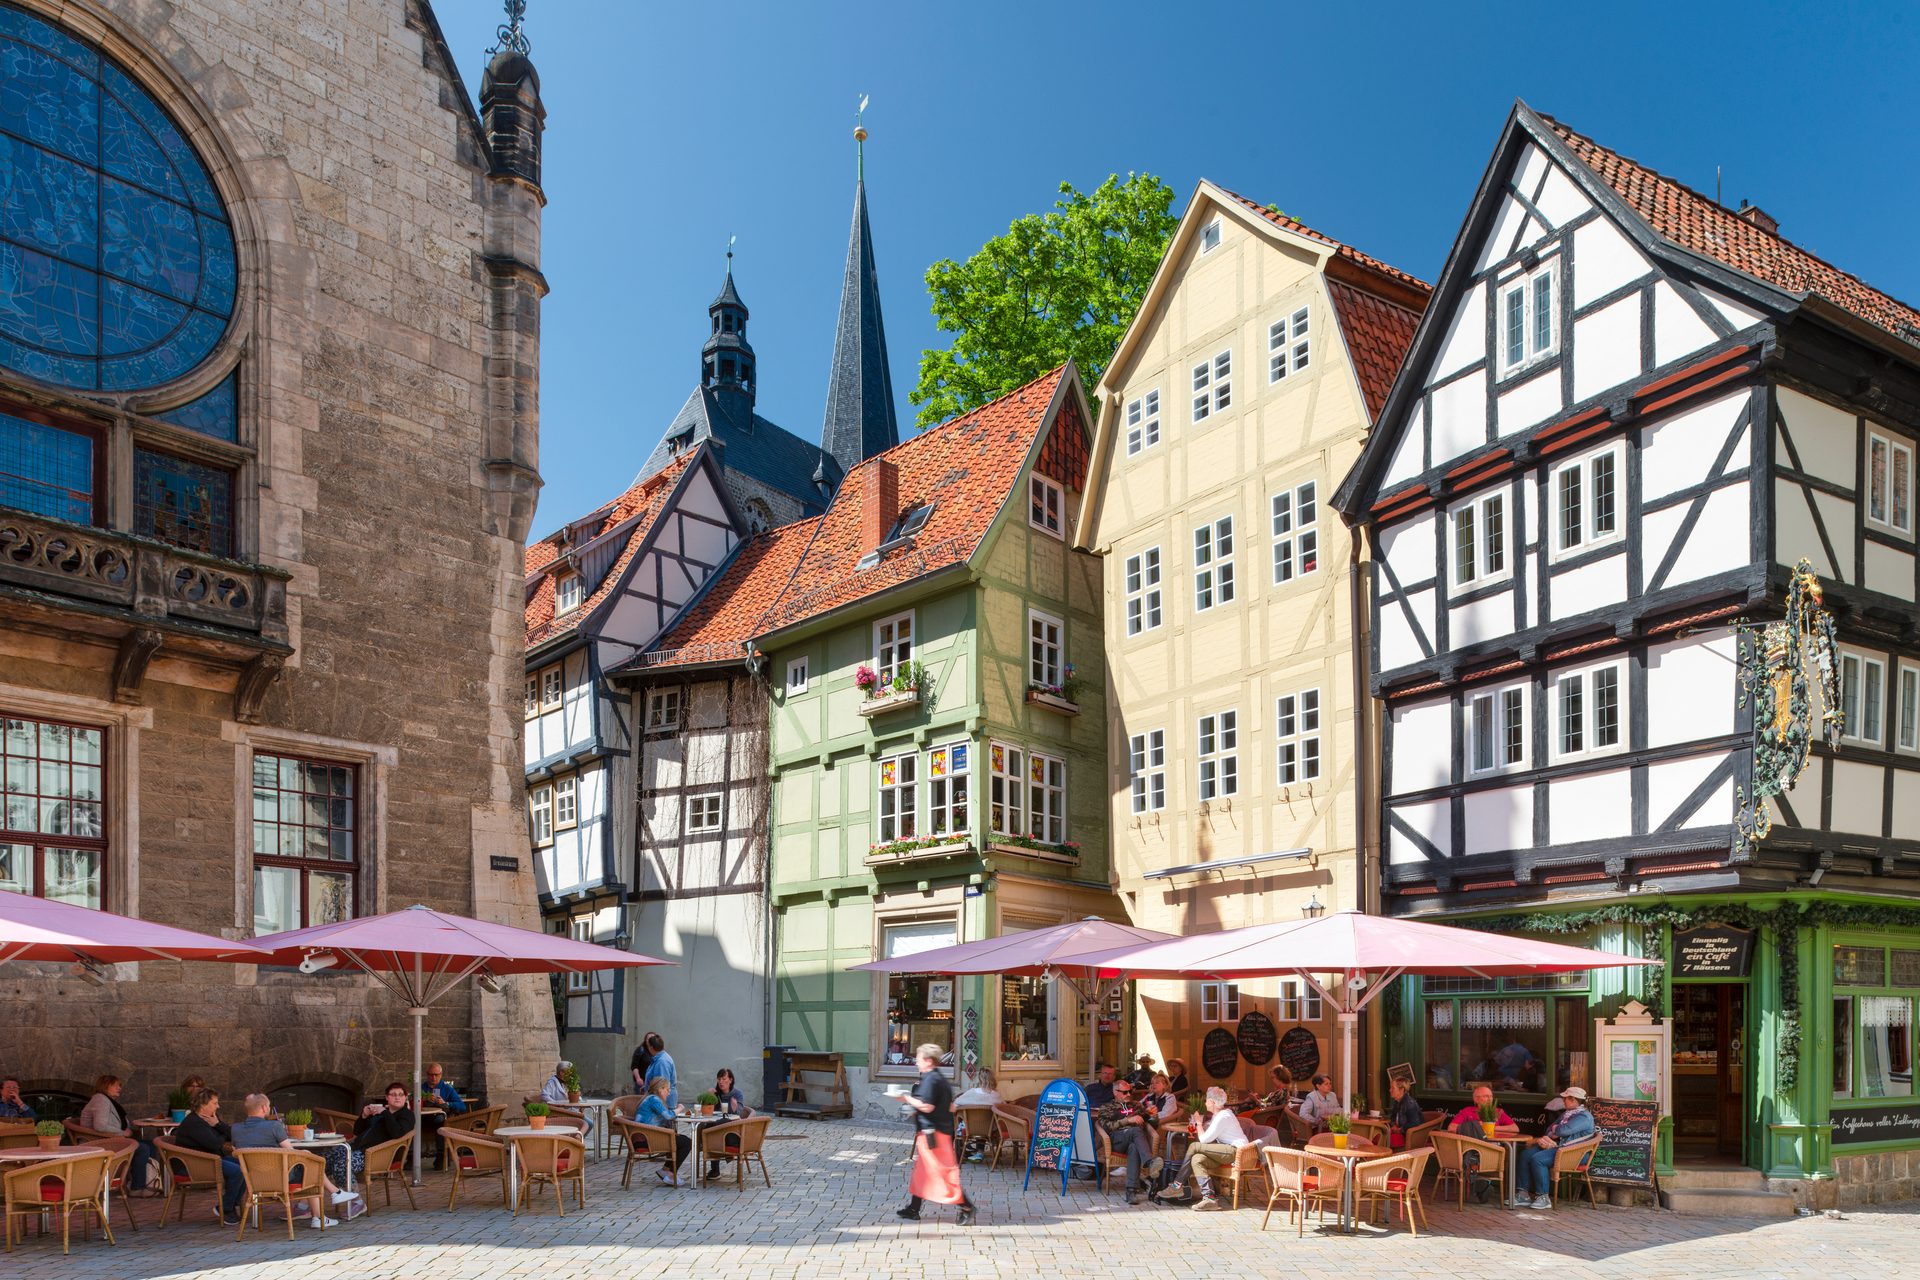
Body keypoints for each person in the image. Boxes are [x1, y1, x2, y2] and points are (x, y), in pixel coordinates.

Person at [230, 1093, 349, 1227]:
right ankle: (321, 1213)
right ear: (264, 1108)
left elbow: (237, 1150)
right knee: (311, 1165)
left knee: (308, 1160)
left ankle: (324, 1201)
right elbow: (292, 1152)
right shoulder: (274, 1126)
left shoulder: (235, 1129)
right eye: (269, 1106)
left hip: (254, 1180)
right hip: (281, 1178)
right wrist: (305, 1153)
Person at [896, 1043, 975, 1225]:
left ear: (928, 1061)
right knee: (922, 1171)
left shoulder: (931, 1079)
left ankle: (966, 1206)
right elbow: (951, 1106)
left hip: (934, 1134)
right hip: (934, 1131)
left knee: (940, 1172)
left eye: (918, 1059)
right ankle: (913, 1208)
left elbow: (928, 1106)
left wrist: (906, 1098)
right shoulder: (938, 1078)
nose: (916, 1062)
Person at [1157, 1086, 1248, 1209]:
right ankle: (1209, 1199)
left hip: (1236, 1151)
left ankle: (1176, 1185)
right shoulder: (1219, 1115)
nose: (1205, 1103)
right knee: (1197, 1159)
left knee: (1194, 1146)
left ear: (1212, 1102)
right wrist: (1200, 1124)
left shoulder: (1223, 1116)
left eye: (1207, 1100)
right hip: (1225, 1151)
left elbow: (1204, 1140)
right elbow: (1207, 1135)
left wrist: (1198, 1122)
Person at [172, 1087, 247, 1225]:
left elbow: (233, 1135)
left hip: (210, 1160)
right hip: (194, 1165)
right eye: (215, 1103)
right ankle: (225, 1208)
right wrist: (221, 1133)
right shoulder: (194, 1123)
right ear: (203, 1104)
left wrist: (218, 1125)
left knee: (246, 1167)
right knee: (238, 1172)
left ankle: (229, 1206)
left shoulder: (210, 1119)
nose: (218, 1106)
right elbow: (214, 1144)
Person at [1512, 1087, 1596, 1209]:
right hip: (1559, 1147)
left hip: (1575, 1154)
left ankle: (1543, 1198)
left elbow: (1563, 1130)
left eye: (1565, 1098)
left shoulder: (1584, 1117)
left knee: (1538, 1159)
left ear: (1573, 1100)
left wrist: (1556, 1130)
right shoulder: (1567, 1113)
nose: (1563, 1100)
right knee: (1526, 1154)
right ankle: (1523, 1194)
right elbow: (1550, 1129)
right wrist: (1553, 1133)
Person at [78, 1074, 159, 1193]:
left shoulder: (108, 1101)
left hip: (113, 1139)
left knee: (151, 1144)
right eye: (115, 1085)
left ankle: (141, 1181)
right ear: (105, 1086)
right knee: (143, 1148)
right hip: (99, 1142)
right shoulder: (100, 1099)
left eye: (119, 1085)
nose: (119, 1088)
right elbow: (100, 1125)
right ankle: (137, 1187)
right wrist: (122, 1132)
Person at [1091, 1076, 1162, 1205]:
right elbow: (1106, 1127)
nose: (1128, 1094)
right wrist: (1128, 1120)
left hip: (1136, 1140)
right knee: (1135, 1131)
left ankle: (1131, 1191)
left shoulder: (1136, 1105)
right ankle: (1150, 1162)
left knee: (1134, 1147)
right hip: (1117, 1141)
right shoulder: (1107, 1107)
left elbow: (1151, 1124)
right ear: (1115, 1092)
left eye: (1130, 1092)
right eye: (1125, 1092)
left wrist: (1153, 1115)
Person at [1449, 1084, 1518, 1203]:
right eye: (1486, 1096)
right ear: (1476, 1099)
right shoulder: (1467, 1111)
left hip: (1494, 1150)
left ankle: (1483, 1185)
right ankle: (1483, 1184)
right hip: (1472, 1151)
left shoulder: (1498, 1112)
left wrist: (1490, 1128)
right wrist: (1473, 1128)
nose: (1490, 1099)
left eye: (1491, 1096)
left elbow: (1515, 1128)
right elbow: (1451, 1127)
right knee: (1472, 1156)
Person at [634, 1077, 690, 1186]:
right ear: (660, 1089)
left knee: (681, 1140)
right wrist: (680, 1108)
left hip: (643, 1137)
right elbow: (668, 1116)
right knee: (686, 1142)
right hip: (646, 1139)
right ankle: (670, 1173)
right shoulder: (653, 1099)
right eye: (667, 1090)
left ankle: (665, 1170)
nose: (669, 1093)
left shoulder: (650, 1098)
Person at [703, 1067, 753, 1180]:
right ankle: (715, 1170)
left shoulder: (737, 1094)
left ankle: (715, 1170)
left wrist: (735, 1108)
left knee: (711, 1129)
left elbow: (739, 1114)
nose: (721, 1082)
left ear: (730, 1080)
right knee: (711, 1128)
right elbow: (706, 1111)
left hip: (733, 1131)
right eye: (719, 1079)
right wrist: (708, 1097)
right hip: (717, 1128)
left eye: (724, 1078)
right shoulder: (716, 1094)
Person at [953, 1070, 1002, 1163]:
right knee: (984, 1121)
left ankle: (961, 1151)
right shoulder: (996, 1095)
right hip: (989, 1129)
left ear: (979, 1079)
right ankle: (979, 1151)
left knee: (958, 1123)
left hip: (970, 1128)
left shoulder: (971, 1093)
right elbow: (1003, 1106)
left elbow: (956, 1103)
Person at [541, 1060, 593, 1135]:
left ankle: (577, 1141)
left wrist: (581, 1104)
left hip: (572, 1111)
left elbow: (575, 1095)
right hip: (561, 1112)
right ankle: (577, 1141)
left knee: (589, 1124)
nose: (571, 1074)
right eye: (569, 1072)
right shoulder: (552, 1082)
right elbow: (544, 1095)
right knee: (589, 1124)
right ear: (561, 1073)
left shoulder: (570, 1082)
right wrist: (555, 1104)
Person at [642, 1033, 679, 1110]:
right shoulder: (659, 1059)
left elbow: (662, 1087)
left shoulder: (662, 1062)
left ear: (651, 1048)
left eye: (648, 1046)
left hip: (663, 1104)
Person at [1386, 1076, 1424, 1148]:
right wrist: (1393, 1125)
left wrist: (1400, 1130)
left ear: (1401, 1090)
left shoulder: (1409, 1103)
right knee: (1378, 1136)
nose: (1390, 1090)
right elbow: (1393, 1118)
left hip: (1408, 1136)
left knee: (1383, 1139)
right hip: (1399, 1133)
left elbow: (1415, 1123)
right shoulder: (1397, 1102)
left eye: (1393, 1088)